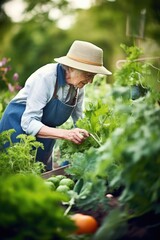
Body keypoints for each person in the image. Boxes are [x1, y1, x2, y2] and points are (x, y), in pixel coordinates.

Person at [0, 40, 112, 171]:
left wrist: (94, 143)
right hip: (17, 127)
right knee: (17, 173)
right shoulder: (46, 78)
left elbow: (80, 122)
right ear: (71, 68)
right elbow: (29, 122)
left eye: (93, 76)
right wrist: (66, 134)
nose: (91, 81)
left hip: (46, 133)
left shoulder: (78, 87)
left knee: (41, 176)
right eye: (88, 75)